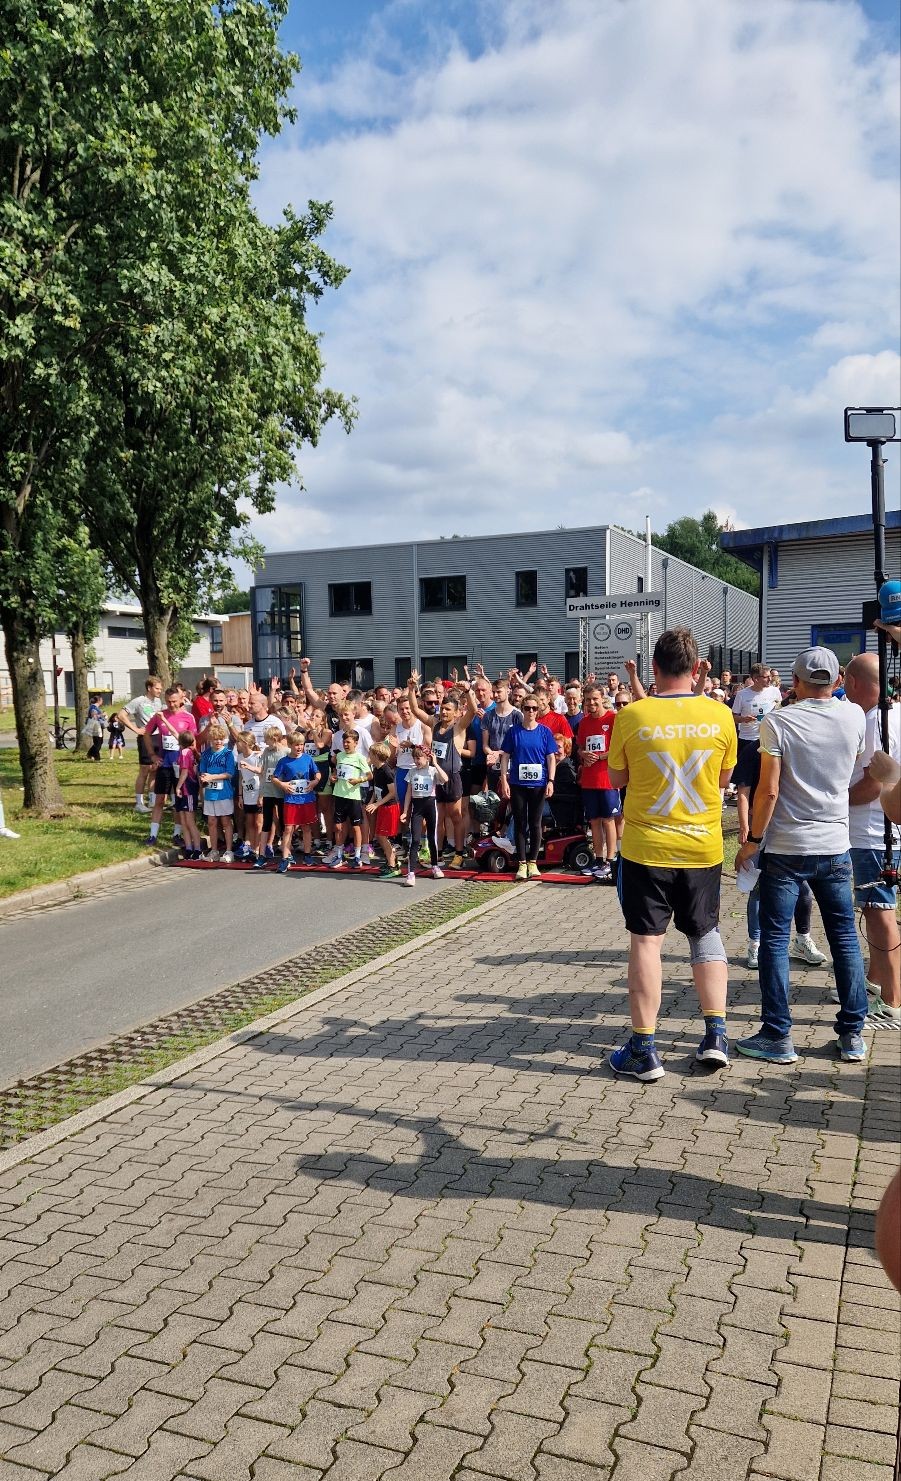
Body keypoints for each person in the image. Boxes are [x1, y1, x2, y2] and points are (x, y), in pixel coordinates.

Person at [606, 627, 737, 1081]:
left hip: (647, 847)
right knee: (705, 934)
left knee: (647, 942)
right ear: (697, 668)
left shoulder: (632, 715)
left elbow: (617, 779)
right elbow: (723, 781)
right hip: (702, 845)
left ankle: (644, 1047)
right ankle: (716, 1034)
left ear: (654, 669)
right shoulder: (721, 716)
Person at [734, 647, 868, 1064]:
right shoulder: (855, 717)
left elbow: (768, 789)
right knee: (844, 939)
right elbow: (860, 770)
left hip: (788, 847)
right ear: (837, 680)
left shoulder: (779, 721)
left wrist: (752, 840)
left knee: (774, 939)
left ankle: (778, 1034)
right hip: (834, 845)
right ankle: (852, 1034)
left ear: (793, 683)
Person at [733, 739, 827, 969]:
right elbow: (744, 791)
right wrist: (745, 826)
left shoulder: (802, 746)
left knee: (803, 887)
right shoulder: (754, 750)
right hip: (761, 825)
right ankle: (755, 943)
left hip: (791, 827)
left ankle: (802, 939)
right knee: (757, 886)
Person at [844, 652, 901, 1024]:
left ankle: (893, 1000)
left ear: (853, 683)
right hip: (885, 829)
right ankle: (875, 980)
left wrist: (836, 800)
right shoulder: (893, 713)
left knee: (880, 913)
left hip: (873, 832)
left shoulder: (873, 721)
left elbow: (872, 782)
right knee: (874, 908)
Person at [499, 695, 557, 881]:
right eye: (527, 708)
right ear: (522, 709)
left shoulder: (545, 732)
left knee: (536, 823)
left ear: (538, 710)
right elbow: (505, 756)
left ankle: (533, 862)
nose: (531, 711)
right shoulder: (513, 732)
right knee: (520, 822)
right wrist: (504, 779)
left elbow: (551, 758)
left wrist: (551, 781)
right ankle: (522, 863)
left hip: (539, 785)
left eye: (534, 708)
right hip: (518, 784)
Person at [575, 685, 620, 882]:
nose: (591, 703)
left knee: (608, 820)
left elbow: (619, 748)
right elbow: (580, 748)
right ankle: (599, 858)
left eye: (594, 699)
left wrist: (601, 757)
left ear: (602, 698)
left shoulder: (612, 719)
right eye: (587, 700)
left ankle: (611, 859)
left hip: (607, 779)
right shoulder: (584, 723)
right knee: (594, 821)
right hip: (589, 780)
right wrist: (583, 754)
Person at [143, 687, 197, 846]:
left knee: (178, 801)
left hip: (181, 765)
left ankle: (177, 834)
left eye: (174, 701)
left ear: (181, 699)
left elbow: (193, 740)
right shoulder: (160, 715)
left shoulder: (188, 717)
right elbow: (146, 733)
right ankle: (153, 835)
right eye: (168, 701)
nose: (172, 705)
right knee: (160, 798)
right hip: (164, 763)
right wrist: (152, 755)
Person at [399, 742, 448, 885]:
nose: (416, 761)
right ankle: (411, 873)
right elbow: (409, 792)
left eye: (419, 758)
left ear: (427, 758)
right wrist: (405, 811)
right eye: (415, 758)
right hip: (417, 807)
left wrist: (436, 763)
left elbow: (445, 779)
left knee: (432, 838)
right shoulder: (412, 772)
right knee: (414, 839)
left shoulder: (432, 770)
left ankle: (435, 866)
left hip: (430, 805)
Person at [271, 730, 320, 873]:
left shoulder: (308, 759)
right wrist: (283, 785)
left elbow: (317, 773)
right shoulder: (284, 761)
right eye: (296, 745)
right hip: (291, 799)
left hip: (306, 799)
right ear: (290, 745)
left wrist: (315, 781)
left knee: (306, 827)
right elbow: (274, 778)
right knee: (288, 828)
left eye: (302, 745)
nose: (299, 747)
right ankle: (285, 858)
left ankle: (307, 854)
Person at [325, 729, 370, 869]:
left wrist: (359, 780)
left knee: (356, 827)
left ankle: (357, 856)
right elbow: (335, 772)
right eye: (344, 741)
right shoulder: (339, 757)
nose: (345, 744)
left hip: (353, 797)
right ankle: (339, 855)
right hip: (339, 795)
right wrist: (332, 777)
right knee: (338, 826)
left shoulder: (360, 758)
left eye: (348, 742)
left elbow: (370, 775)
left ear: (356, 743)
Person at [198, 721, 238, 863]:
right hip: (210, 793)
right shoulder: (206, 754)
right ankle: (214, 850)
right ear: (210, 740)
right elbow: (202, 772)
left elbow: (229, 773)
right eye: (215, 739)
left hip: (224, 793)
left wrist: (212, 777)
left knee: (226, 821)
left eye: (221, 739)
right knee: (212, 822)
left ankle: (228, 850)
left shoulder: (227, 754)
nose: (218, 742)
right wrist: (204, 778)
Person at [253, 724, 290, 869]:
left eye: (267, 739)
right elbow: (262, 772)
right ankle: (262, 855)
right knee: (266, 823)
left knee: (284, 823)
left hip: (281, 792)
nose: (265, 742)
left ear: (274, 738)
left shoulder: (286, 752)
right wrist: (261, 793)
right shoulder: (266, 753)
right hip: (268, 792)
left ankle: (286, 853)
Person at [366, 742, 401, 877]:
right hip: (381, 806)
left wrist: (377, 804)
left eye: (370, 754)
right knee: (380, 836)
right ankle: (391, 861)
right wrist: (371, 802)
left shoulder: (387, 771)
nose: (369, 756)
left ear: (376, 755)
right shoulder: (376, 769)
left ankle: (393, 865)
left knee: (382, 836)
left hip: (389, 807)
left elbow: (392, 792)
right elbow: (376, 788)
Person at [731, 663, 781, 757]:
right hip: (748, 739)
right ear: (756, 679)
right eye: (766, 677)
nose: (770, 679)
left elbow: (780, 710)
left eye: (770, 676)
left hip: (769, 739)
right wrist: (743, 719)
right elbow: (733, 717)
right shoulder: (742, 694)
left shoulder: (775, 691)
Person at [174, 732, 202, 858]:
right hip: (184, 789)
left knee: (189, 821)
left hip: (188, 789)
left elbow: (185, 772)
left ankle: (197, 848)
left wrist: (178, 786)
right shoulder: (187, 751)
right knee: (184, 821)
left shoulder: (186, 752)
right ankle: (189, 847)